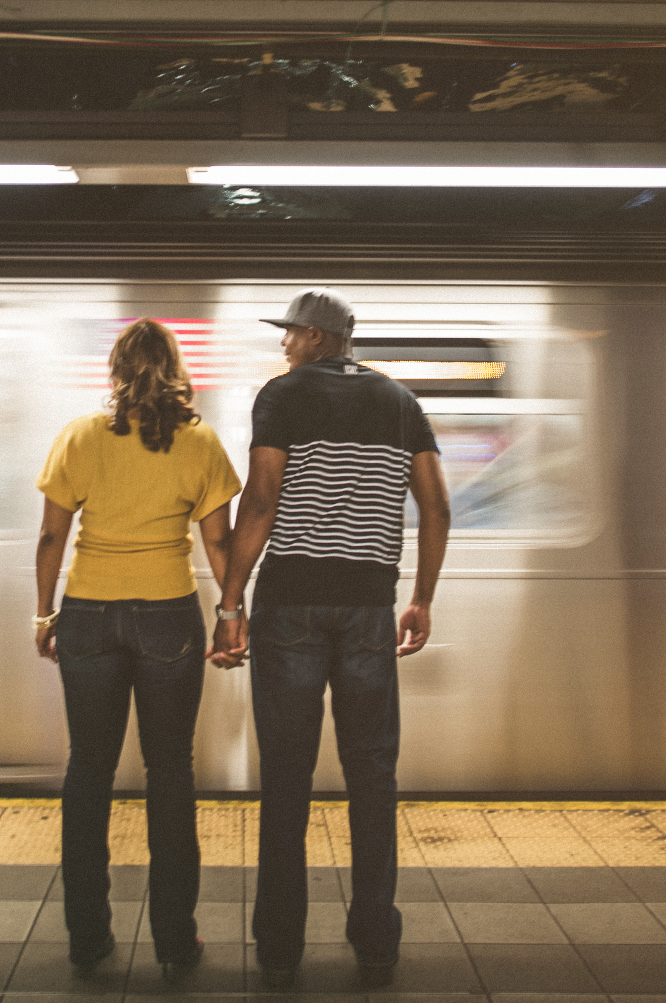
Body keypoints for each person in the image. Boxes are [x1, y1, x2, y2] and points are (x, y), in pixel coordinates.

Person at [210, 288, 450, 986]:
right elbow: (435, 505)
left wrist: (231, 600)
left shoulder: (281, 395)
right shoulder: (401, 402)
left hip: (291, 603)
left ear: (316, 336)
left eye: (290, 332)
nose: (284, 343)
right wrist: (422, 597)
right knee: (372, 774)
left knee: (287, 775)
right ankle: (375, 936)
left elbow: (261, 497)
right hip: (369, 604)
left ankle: (281, 943)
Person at [33, 319, 243, 978]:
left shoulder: (79, 436)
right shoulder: (201, 442)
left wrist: (45, 614)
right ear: (175, 369)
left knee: (88, 771)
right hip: (168, 617)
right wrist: (231, 613)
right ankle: (177, 940)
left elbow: (50, 537)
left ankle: (87, 935)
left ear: (116, 371)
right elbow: (218, 545)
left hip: (89, 616)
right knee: (170, 773)